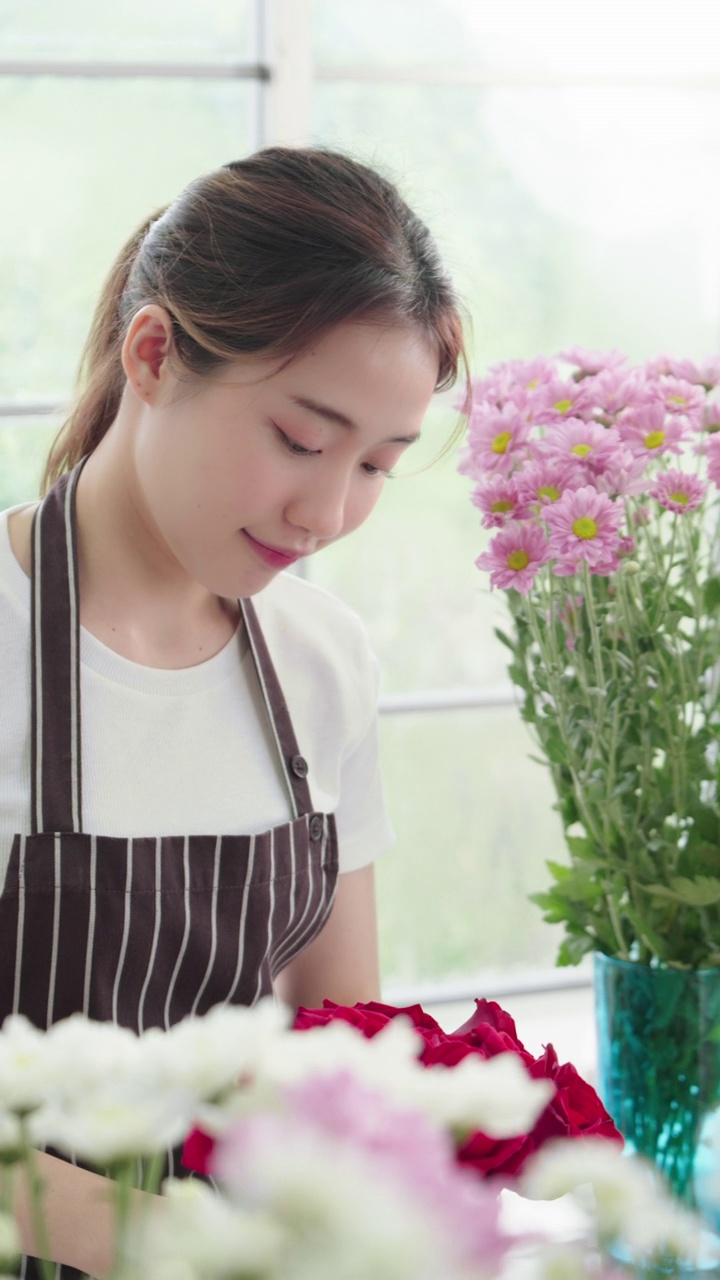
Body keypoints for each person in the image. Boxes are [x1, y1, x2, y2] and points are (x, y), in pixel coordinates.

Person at [0, 145, 465, 1275]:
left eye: (376, 466)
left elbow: (339, 1050)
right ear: (153, 353)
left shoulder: (324, 662)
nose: (325, 512)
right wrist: (188, 1245)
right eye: (300, 440)